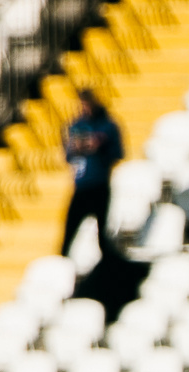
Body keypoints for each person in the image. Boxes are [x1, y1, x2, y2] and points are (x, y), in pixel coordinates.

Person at [62, 89, 123, 257]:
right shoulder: (76, 125)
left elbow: (118, 153)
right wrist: (75, 147)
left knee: (102, 234)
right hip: (81, 186)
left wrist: (99, 146)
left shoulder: (107, 125)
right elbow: (68, 156)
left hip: (99, 184)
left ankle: (106, 269)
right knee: (68, 233)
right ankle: (63, 266)